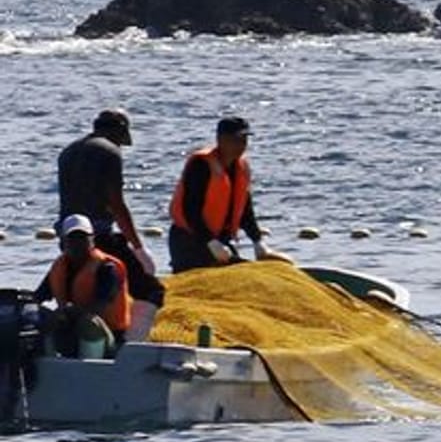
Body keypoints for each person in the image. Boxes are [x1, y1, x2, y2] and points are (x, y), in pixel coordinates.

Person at [57, 107, 165, 338]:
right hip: (99, 239)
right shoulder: (109, 152)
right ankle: (131, 346)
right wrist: (138, 247)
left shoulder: (68, 152)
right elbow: (115, 203)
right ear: (119, 133)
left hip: (68, 240)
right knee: (151, 290)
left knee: (88, 294)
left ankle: (91, 342)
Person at [167, 116, 285, 273]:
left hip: (220, 240)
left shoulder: (240, 167)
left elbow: (245, 210)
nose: (241, 145)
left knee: (245, 272)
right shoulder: (201, 165)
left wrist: (258, 241)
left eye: (244, 140)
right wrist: (211, 242)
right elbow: (190, 210)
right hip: (189, 239)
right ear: (220, 139)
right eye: (235, 140)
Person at [34, 214, 131, 357]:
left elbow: (99, 306)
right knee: (36, 316)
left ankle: (90, 369)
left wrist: (66, 312)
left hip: (108, 339)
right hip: (71, 332)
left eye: (82, 238)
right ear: (63, 242)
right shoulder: (59, 267)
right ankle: (45, 366)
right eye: (72, 238)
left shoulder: (107, 268)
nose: (77, 243)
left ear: (92, 241)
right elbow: (37, 297)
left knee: (88, 322)